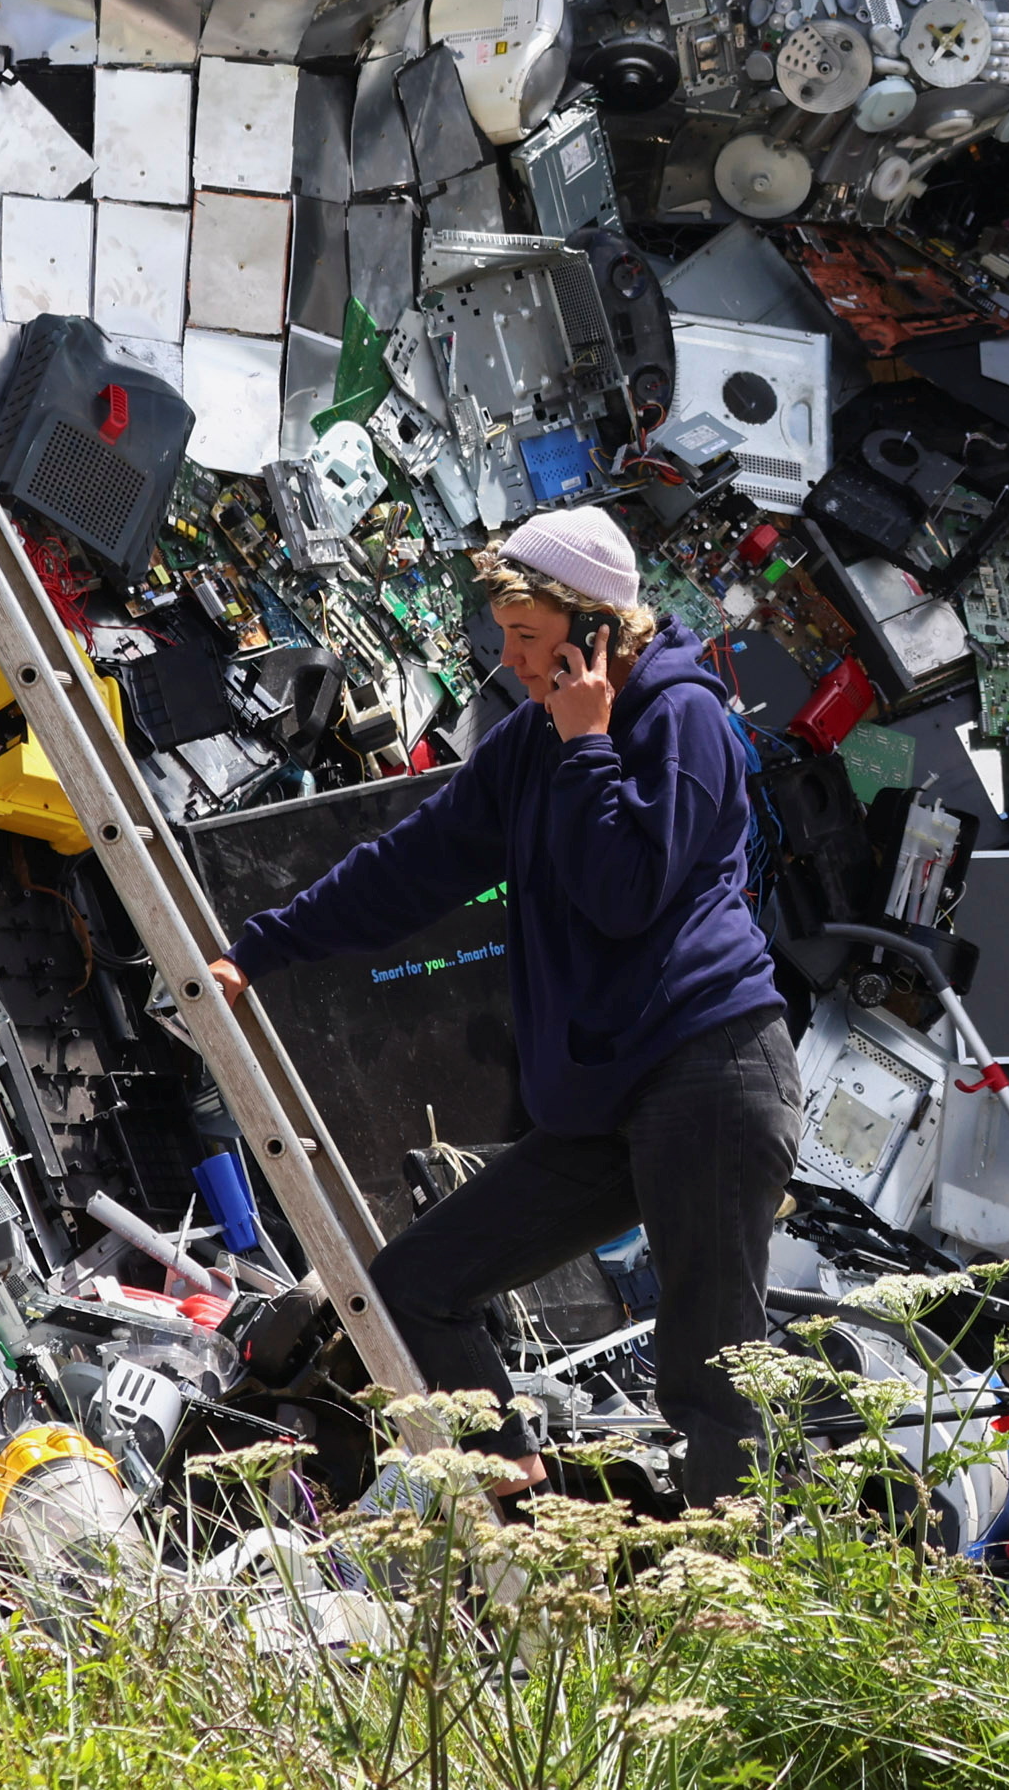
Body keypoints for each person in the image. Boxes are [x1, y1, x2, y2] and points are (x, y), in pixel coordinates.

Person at [205, 505, 798, 1499]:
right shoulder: (532, 743)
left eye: (527, 637)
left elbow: (624, 890)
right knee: (416, 1285)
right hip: (610, 1096)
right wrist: (259, 949)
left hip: (707, 1069)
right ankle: (512, 1488)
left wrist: (587, 743)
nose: (512, 659)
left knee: (709, 1375)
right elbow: (412, 866)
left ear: (593, 631)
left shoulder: (678, 716)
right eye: (507, 637)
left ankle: (747, 1611)